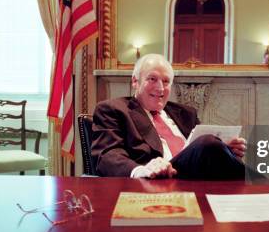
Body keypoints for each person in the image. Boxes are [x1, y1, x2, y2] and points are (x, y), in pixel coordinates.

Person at [91, 53, 248, 179]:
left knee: (212, 146)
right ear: (135, 81)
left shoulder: (186, 113)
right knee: (207, 143)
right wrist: (141, 170)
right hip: (159, 179)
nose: (160, 88)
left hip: (199, 179)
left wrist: (226, 150)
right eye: (152, 79)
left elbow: (197, 153)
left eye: (166, 82)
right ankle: (260, 188)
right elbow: (107, 155)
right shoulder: (113, 110)